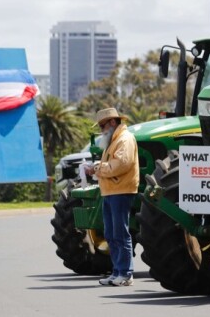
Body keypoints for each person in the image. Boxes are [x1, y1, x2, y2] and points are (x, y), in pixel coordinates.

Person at [85, 107, 139, 286]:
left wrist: (98, 168)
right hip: (110, 191)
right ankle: (117, 272)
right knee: (111, 234)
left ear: (113, 122)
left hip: (121, 191)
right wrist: (99, 166)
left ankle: (126, 273)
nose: (101, 129)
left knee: (120, 233)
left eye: (103, 125)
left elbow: (121, 164)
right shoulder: (113, 140)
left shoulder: (125, 139)